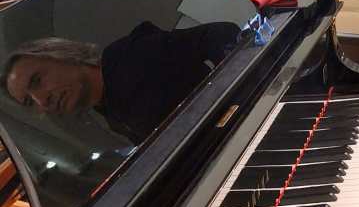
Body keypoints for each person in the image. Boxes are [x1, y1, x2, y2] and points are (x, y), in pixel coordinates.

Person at [4, 24, 240, 144]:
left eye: (37, 80)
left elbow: (220, 33)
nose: (41, 100)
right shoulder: (108, 114)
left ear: (62, 55)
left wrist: (235, 97)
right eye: (29, 102)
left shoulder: (133, 53)